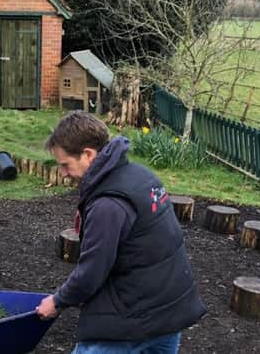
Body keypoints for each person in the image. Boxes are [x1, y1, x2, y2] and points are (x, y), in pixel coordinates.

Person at [36, 111, 206, 354]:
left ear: (88, 154)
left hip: (131, 322)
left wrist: (57, 301)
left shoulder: (108, 204)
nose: (63, 173)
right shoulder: (140, 175)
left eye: (65, 165)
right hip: (170, 310)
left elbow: (91, 273)